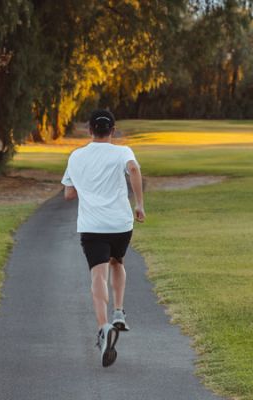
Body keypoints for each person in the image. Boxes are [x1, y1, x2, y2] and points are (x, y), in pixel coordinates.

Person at [61, 109, 146, 368]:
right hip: (120, 223)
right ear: (113, 129)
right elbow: (132, 168)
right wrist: (140, 204)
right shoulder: (122, 152)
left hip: (92, 225)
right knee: (117, 261)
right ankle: (119, 311)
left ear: (89, 130)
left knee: (98, 274)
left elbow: (68, 194)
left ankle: (103, 327)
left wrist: (86, 188)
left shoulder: (76, 156)